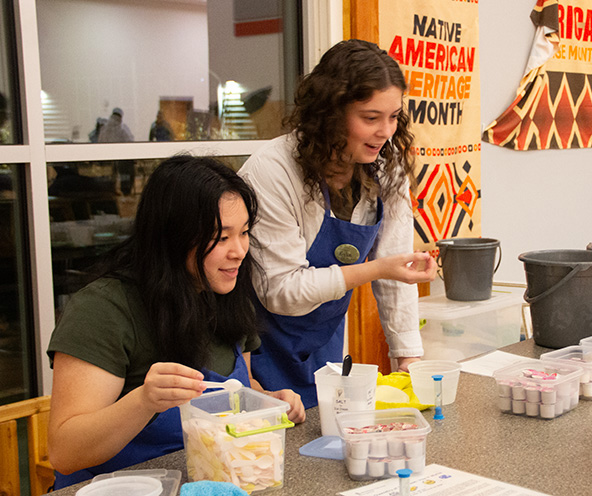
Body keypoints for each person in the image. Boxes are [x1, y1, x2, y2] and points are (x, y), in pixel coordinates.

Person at [46, 155, 305, 489]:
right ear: (172, 236)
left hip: (211, 483)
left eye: (244, 233)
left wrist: (268, 401)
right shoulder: (103, 310)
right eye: (221, 237)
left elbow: (239, 388)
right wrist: (143, 401)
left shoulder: (224, 288)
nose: (239, 250)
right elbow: (65, 451)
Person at [237, 39, 436, 409]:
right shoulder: (273, 171)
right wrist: (374, 269)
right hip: (260, 348)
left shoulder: (385, 166)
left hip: (323, 349)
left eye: (393, 117)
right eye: (370, 118)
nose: (386, 132)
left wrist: (407, 357)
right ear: (329, 114)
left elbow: (397, 269)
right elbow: (281, 291)